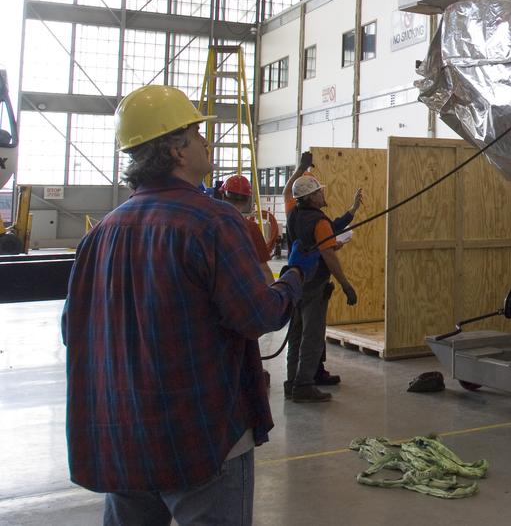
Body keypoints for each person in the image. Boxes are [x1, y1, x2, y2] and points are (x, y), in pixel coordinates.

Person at [63, 85, 314, 525]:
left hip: (122, 437)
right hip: (200, 439)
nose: (205, 141)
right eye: (197, 132)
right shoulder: (213, 222)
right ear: (176, 150)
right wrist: (292, 281)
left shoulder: (101, 232)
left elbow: (73, 331)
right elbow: (258, 315)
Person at [284, 168, 362, 402]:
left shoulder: (294, 214)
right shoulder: (318, 221)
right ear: (311, 197)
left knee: (296, 334)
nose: (322, 194)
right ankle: (305, 384)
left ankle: (292, 382)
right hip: (315, 285)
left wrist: (352, 210)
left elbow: (330, 228)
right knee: (313, 336)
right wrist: (346, 285)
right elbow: (328, 254)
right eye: (318, 192)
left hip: (295, 282)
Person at [221, 174, 275, 282]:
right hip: (241, 289)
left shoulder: (210, 223)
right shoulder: (251, 228)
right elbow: (264, 270)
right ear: (247, 200)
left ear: (223, 196)